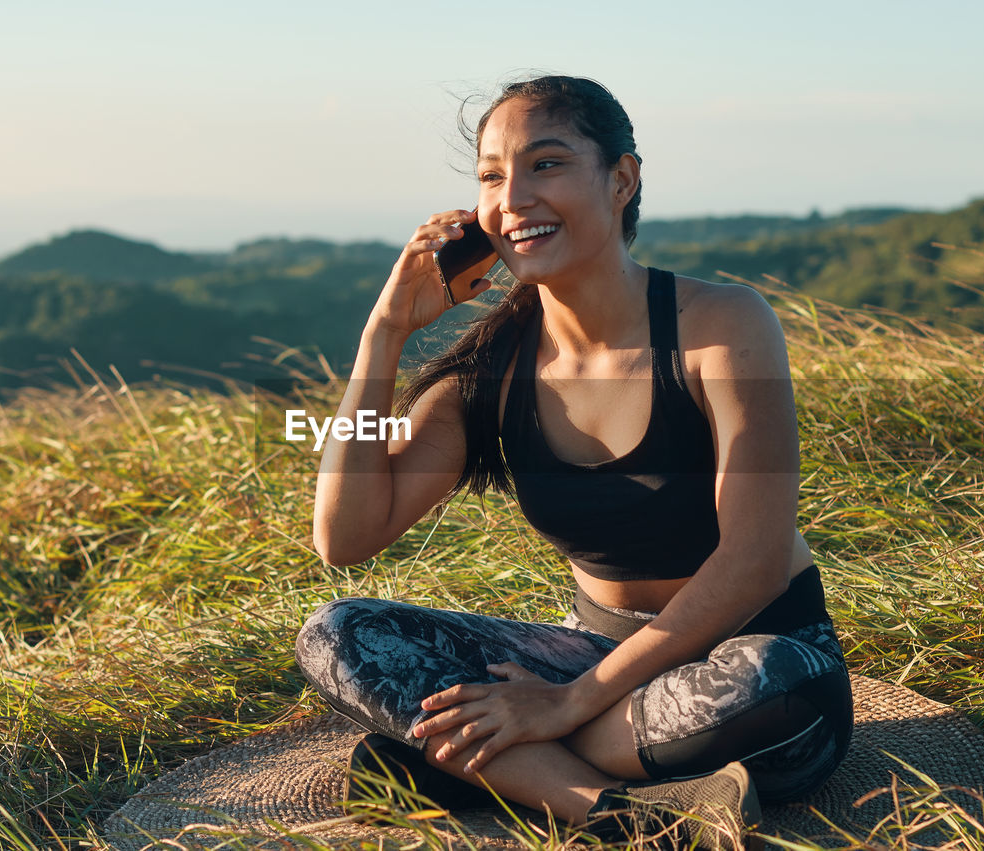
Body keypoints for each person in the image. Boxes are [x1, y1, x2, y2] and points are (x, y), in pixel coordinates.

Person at [294, 75, 853, 849]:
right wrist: (383, 333)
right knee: (339, 634)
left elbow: (756, 561)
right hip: (591, 658)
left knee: (777, 686)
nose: (513, 197)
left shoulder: (721, 325)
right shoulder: (486, 376)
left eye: (546, 164)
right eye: (492, 175)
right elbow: (344, 537)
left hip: (737, 658)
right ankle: (613, 814)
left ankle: (489, 768)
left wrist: (563, 703)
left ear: (621, 179)